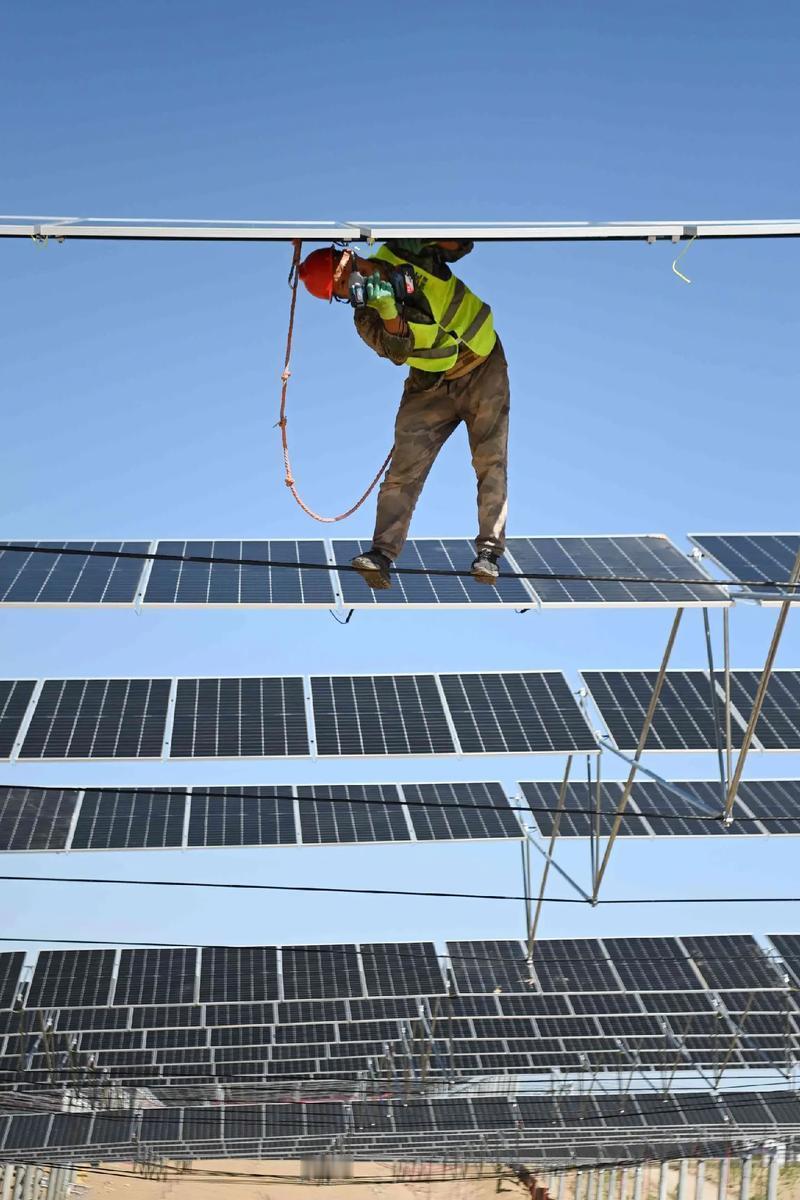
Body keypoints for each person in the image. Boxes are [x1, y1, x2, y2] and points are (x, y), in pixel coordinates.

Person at [298, 239, 509, 589]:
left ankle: (489, 554)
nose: (350, 291)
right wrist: (388, 310)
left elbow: (461, 246)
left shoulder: (401, 250)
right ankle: (381, 555)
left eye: (344, 280)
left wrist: (432, 241)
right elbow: (399, 349)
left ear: (347, 257)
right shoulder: (365, 317)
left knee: (491, 461)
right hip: (430, 384)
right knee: (403, 473)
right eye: (340, 293)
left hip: (484, 365)